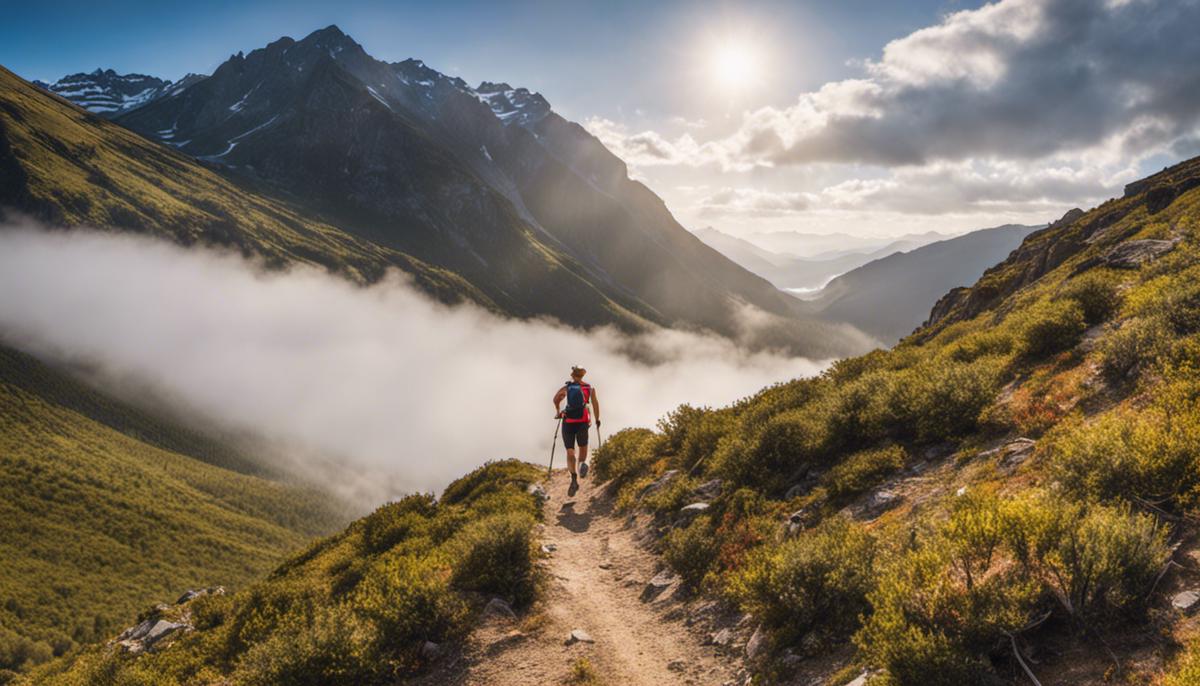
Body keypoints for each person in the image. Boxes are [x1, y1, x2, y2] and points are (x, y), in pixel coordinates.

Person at [553, 365, 600, 497]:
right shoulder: (589, 389)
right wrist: (597, 420)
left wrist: (558, 411)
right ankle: (582, 465)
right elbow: (595, 405)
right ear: (583, 375)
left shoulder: (567, 387)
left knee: (570, 451)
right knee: (582, 447)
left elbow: (556, 398)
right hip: (583, 421)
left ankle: (573, 478)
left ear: (572, 375)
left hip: (568, 422)